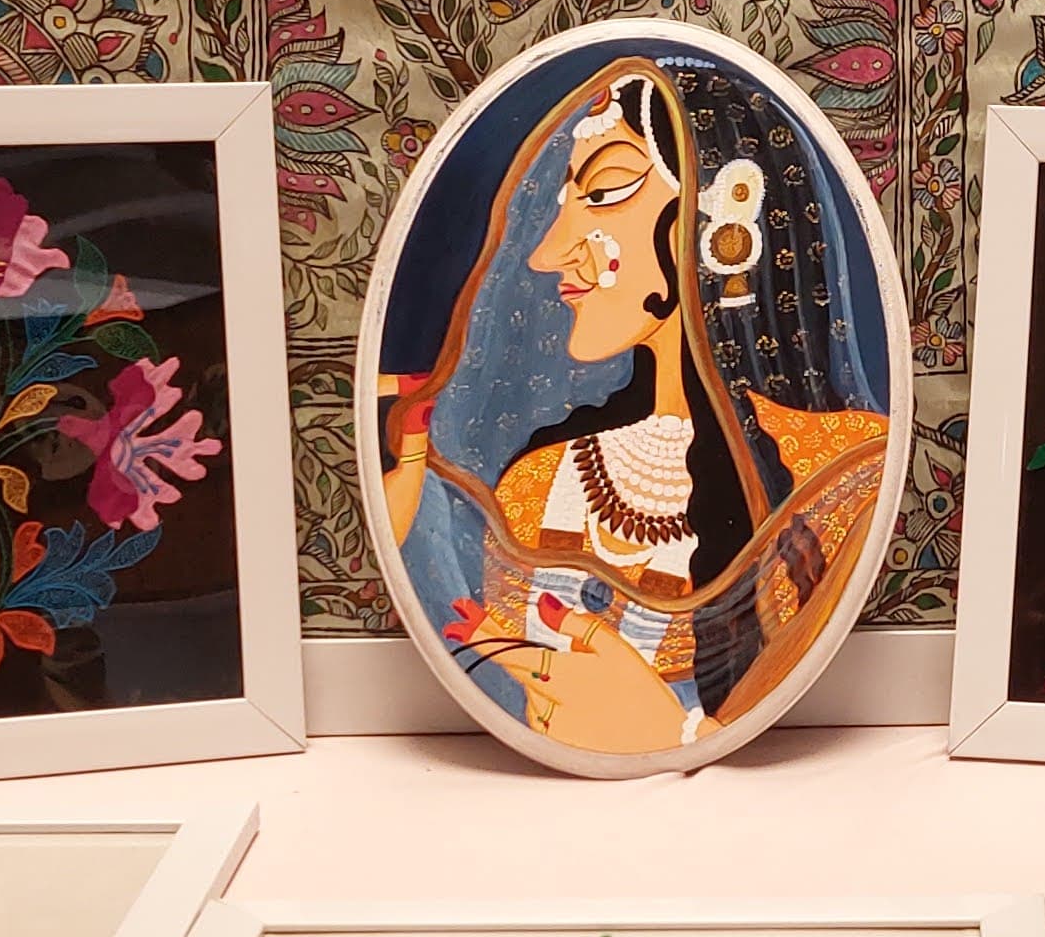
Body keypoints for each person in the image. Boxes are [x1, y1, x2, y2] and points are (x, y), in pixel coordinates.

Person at [378, 53, 894, 756]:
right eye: (561, 203)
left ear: (719, 222)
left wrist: (680, 733)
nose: (548, 254)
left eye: (604, 191)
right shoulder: (540, 484)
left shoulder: (846, 477)